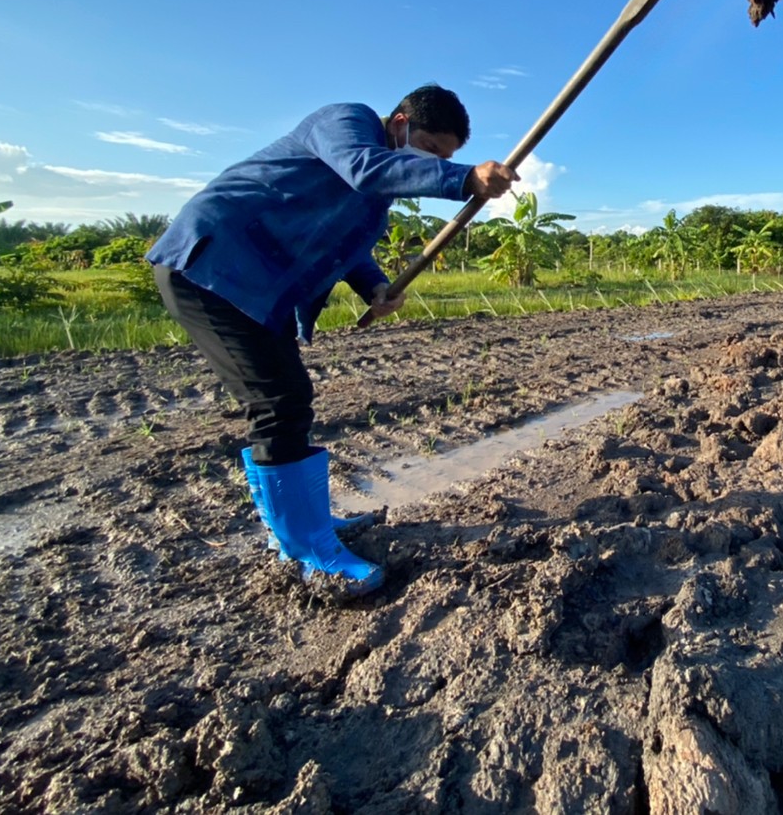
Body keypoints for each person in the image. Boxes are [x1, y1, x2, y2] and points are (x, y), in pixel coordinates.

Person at [147, 86, 518, 596]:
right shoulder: (348, 123)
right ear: (401, 123)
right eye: (431, 150)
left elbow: (348, 248)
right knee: (279, 401)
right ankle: (306, 549)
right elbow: (366, 168)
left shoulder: (373, 200)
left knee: (285, 400)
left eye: (445, 159)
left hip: (258, 288)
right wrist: (464, 178)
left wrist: (374, 287)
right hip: (212, 265)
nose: (433, 161)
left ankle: (304, 527)